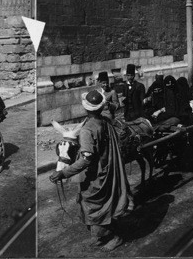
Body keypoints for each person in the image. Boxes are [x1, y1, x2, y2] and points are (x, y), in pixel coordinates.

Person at [49, 89, 134, 252]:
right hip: (107, 169)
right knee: (101, 202)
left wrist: (63, 173)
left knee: (96, 204)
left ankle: (116, 236)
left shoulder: (87, 130)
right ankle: (102, 234)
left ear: (86, 108)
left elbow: (86, 159)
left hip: (97, 175)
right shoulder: (105, 121)